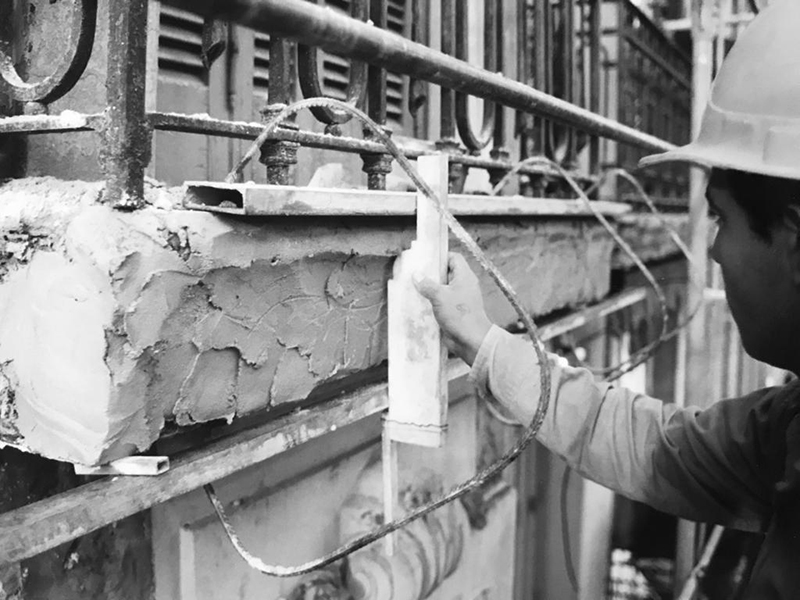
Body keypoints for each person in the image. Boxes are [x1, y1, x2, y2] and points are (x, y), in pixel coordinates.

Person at [415, 1, 800, 598]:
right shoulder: (788, 428)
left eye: (721, 218)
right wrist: (483, 342)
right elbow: (655, 447)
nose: (715, 252)